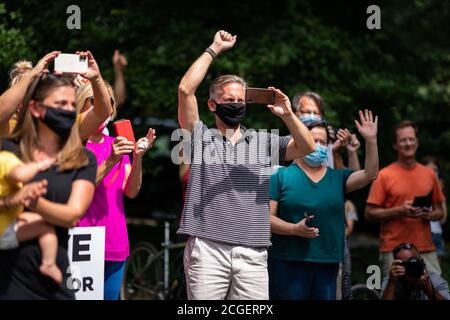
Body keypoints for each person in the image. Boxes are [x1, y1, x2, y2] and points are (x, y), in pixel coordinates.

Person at [177, 30, 315, 300]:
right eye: (229, 100)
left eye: (241, 100)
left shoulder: (263, 141)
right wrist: (215, 48)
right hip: (208, 248)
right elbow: (185, 89)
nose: (236, 105)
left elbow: (308, 146)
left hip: (253, 250)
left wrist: (287, 114)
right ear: (212, 105)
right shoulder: (200, 136)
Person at [0, 68, 97, 299]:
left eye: (72, 105)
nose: (68, 110)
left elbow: (72, 215)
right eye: (60, 104)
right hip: (7, 280)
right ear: (35, 108)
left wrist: (34, 203)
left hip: (54, 283)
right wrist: (33, 75)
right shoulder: (9, 149)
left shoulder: (82, 159)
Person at [268, 111, 378, 300]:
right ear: (300, 141)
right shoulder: (280, 176)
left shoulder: (338, 177)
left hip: (328, 264)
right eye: (313, 140)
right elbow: (266, 220)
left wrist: (371, 140)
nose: (318, 146)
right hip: (287, 263)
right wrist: (294, 229)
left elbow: (369, 174)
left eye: (323, 142)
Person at [76, 82, 156, 300]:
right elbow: (80, 187)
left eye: (110, 102)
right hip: (80, 240)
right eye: (96, 100)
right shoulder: (72, 145)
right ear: (81, 104)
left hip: (114, 239)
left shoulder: (117, 145)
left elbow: (131, 191)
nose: (105, 106)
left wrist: (138, 157)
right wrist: (111, 159)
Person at [365, 120, 445, 277]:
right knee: (394, 294)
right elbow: (369, 213)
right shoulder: (384, 175)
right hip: (393, 249)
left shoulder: (429, 174)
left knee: (437, 292)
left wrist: (429, 215)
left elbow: (440, 211)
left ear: (417, 142)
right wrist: (400, 211)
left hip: (425, 248)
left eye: (411, 139)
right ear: (395, 145)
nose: (408, 143)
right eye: (403, 140)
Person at [0, 51, 113, 143]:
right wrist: (33, 74)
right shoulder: (11, 130)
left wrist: (96, 78)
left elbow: (102, 112)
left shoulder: (62, 128)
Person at [0, 151, 63, 283]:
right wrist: (39, 165)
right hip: (4, 230)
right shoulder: (4, 158)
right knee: (45, 226)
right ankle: (49, 264)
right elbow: (19, 175)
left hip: (10, 219)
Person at [291, 91, 355, 170]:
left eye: (316, 113)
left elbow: (343, 179)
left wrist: (337, 153)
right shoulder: (280, 144)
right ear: (296, 114)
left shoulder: (329, 145)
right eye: (307, 112)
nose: (312, 116)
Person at [381, 242, 450, 300]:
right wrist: (392, 282)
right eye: (405, 264)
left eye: (414, 263)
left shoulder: (435, 280)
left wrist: (427, 287)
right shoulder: (390, 282)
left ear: (422, 262)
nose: (411, 268)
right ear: (396, 266)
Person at [422, 156, 447, 266]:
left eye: (435, 170)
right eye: (428, 170)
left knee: (436, 276)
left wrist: (440, 194)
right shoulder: (417, 187)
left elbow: (443, 219)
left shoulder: (439, 192)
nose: (432, 173)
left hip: (436, 235)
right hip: (422, 235)